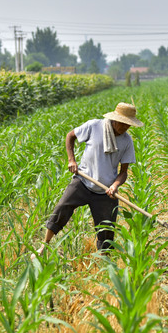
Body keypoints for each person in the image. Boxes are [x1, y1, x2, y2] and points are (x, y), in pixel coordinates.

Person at [32, 102, 144, 259]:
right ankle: (44, 247)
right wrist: (71, 160)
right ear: (115, 119)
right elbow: (70, 136)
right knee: (61, 209)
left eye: (129, 125)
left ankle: (104, 261)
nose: (125, 128)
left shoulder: (127, 141)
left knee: (107, 229)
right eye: (123, 124)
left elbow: (123, 172)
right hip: (83, 181)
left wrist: (115, 185)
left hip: (105, 190)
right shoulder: (94, 126)